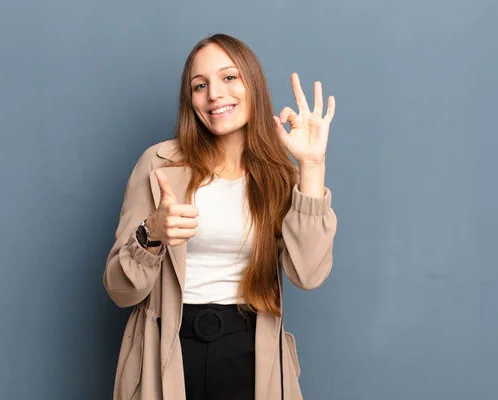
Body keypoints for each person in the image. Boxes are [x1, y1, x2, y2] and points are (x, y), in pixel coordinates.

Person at [104, 33, 337, 400]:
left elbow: (307, 274)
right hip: (169, 350)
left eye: (229, 77)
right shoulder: (159, 165)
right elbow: (120, 290)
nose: (214, 94)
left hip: (250, 351)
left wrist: (311, 166)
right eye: (200, 85)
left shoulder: (279, 176)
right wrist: (150, 234)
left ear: (253, 84)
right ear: (190, 100)